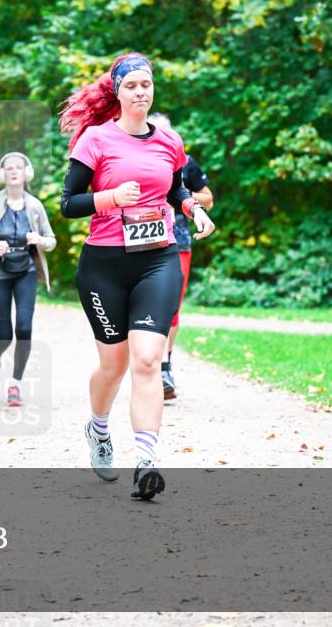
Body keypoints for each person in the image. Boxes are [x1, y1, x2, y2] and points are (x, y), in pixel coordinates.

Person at [58, 52, 216, 499]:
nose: (140, 92)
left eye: (146, 85)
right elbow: (68, 203)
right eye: (131, 86)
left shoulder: (170, 141)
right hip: (104, 265)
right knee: (114, 365)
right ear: (118, 92)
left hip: (157, 259)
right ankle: (99, 429)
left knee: (147, 359)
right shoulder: (95, 140)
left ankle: (145, 462)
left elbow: (176, 189)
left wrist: (193, 211)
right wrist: (109, 197)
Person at [0, 153, 56, 407]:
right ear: (2, 174)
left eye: (18, 167)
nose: (14, 171)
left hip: (25, 271)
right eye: (9, 168)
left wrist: (39, 241)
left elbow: (51, 239)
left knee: (25, 329)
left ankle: (15, 385)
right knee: (4, 334)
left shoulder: (35, 205)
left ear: (26, 172)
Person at [146, 113, 214, 400]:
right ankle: (147, 365)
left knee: (171, 306)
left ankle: (164, 366)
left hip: (178, 241)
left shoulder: (185, 163)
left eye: (167, 134)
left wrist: (183, 199)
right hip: (142, 241)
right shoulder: (135, 160)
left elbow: (208, 198)